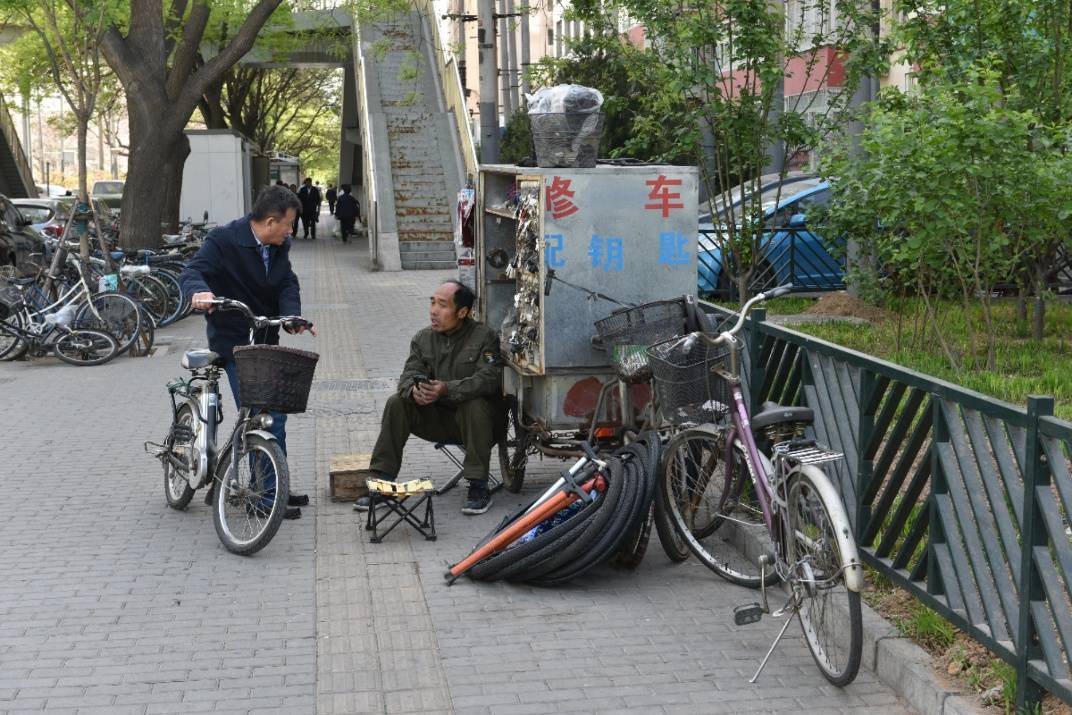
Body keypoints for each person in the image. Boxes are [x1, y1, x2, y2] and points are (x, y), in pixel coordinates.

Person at [179, 185, 316, 520]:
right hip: (234, 341)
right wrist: (200, 293)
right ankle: (268, 496)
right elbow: (192, 272)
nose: (291, 230)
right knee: (262, 411)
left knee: (274, 413)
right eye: (288, 224)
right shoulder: (224, 241)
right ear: (270, 222)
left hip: (265, 339)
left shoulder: (280, 245)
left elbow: (286, 282)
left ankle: (273, 485)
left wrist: (291, 315)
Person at [354, 281, 502, 515]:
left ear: (462, 312)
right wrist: (414, 391)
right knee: (397, 402)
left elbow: (489, 378)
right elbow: (408, 375)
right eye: (432, 303)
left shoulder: (485, 337)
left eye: (442, 305)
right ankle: (382, 482)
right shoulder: (423, 339)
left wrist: (447, 389)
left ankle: (478, 486)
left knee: (474, 404)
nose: (433, 310)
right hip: (438, 420)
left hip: (478, 425)